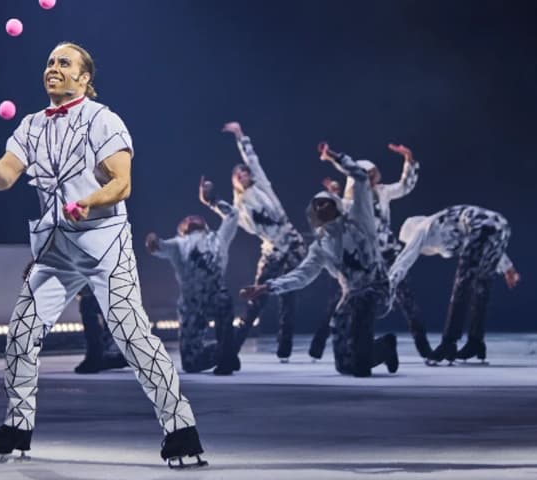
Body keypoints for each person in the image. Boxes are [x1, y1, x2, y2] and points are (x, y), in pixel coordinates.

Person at [0, 42, 205, 469]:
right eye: (50, 62)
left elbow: (122, 183)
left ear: (84, 78)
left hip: (103, 244)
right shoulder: (32, 125)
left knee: (131, 335)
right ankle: (18, 425)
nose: (53, 68)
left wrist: (89, 201)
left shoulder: (103, 119)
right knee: (21, 331)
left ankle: (180, 429)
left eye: (64, 63)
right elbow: (2, 178)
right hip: (55, 250)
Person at [242, 143, 398, 377]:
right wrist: (268, 286)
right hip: (352, 296)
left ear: (336, 205)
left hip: (377, 289)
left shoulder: (358, 220)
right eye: (316, 205)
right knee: (345, 365)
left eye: (325, 202)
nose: (321, 206)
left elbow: (361, 179)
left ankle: (365, 357)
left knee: (360, 363)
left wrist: (336, 157)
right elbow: (302, 275)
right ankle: (384, 347)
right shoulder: (320, 247)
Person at [310, 144, 431, 360]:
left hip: (388, 255)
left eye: (372, 173)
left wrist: (409, 160)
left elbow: (406, 186)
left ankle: (425, 349)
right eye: (366, 174)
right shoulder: (348, 203)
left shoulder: (383, 192)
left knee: (408, 301)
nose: (370, 177)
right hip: (364, 263)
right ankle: (321, 345)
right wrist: (332, 189)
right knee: (341, 301)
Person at [219, 122, 307, 361]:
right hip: (273, 250)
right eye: (238, 175)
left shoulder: (263, 186)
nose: (243, 175)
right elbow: (231, 217)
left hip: (293, 243)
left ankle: (284, 349)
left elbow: (253, 160)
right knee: (256, 298)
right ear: (234, 181)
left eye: (244, 173)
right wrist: (211, 202)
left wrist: (240, 136)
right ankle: (233, 349)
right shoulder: (239, 206)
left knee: (290, 296)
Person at [389, 205, 520, 364]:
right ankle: (476, 342)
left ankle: (448, 343)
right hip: (501, 226)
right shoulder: (443, 224)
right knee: (481, 287)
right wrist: (508, 268)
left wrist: (389, 284)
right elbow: (488, 233)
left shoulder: (422, 229)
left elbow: (405, 258)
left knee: (462, 286)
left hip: (481, 227)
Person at [145, 179, 241, 375]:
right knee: (190, 364)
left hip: (216, 296)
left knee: (224, 300)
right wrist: (152, 242)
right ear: (180, 230)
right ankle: (224, 351)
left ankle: (226, 355)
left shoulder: (218, 238)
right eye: (185, 220)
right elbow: (159, 248)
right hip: (192, 304)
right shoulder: (178, 244)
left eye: (194, 217)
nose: (190, 219)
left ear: (205, 225)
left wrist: (212, 200)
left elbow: (233, 214)